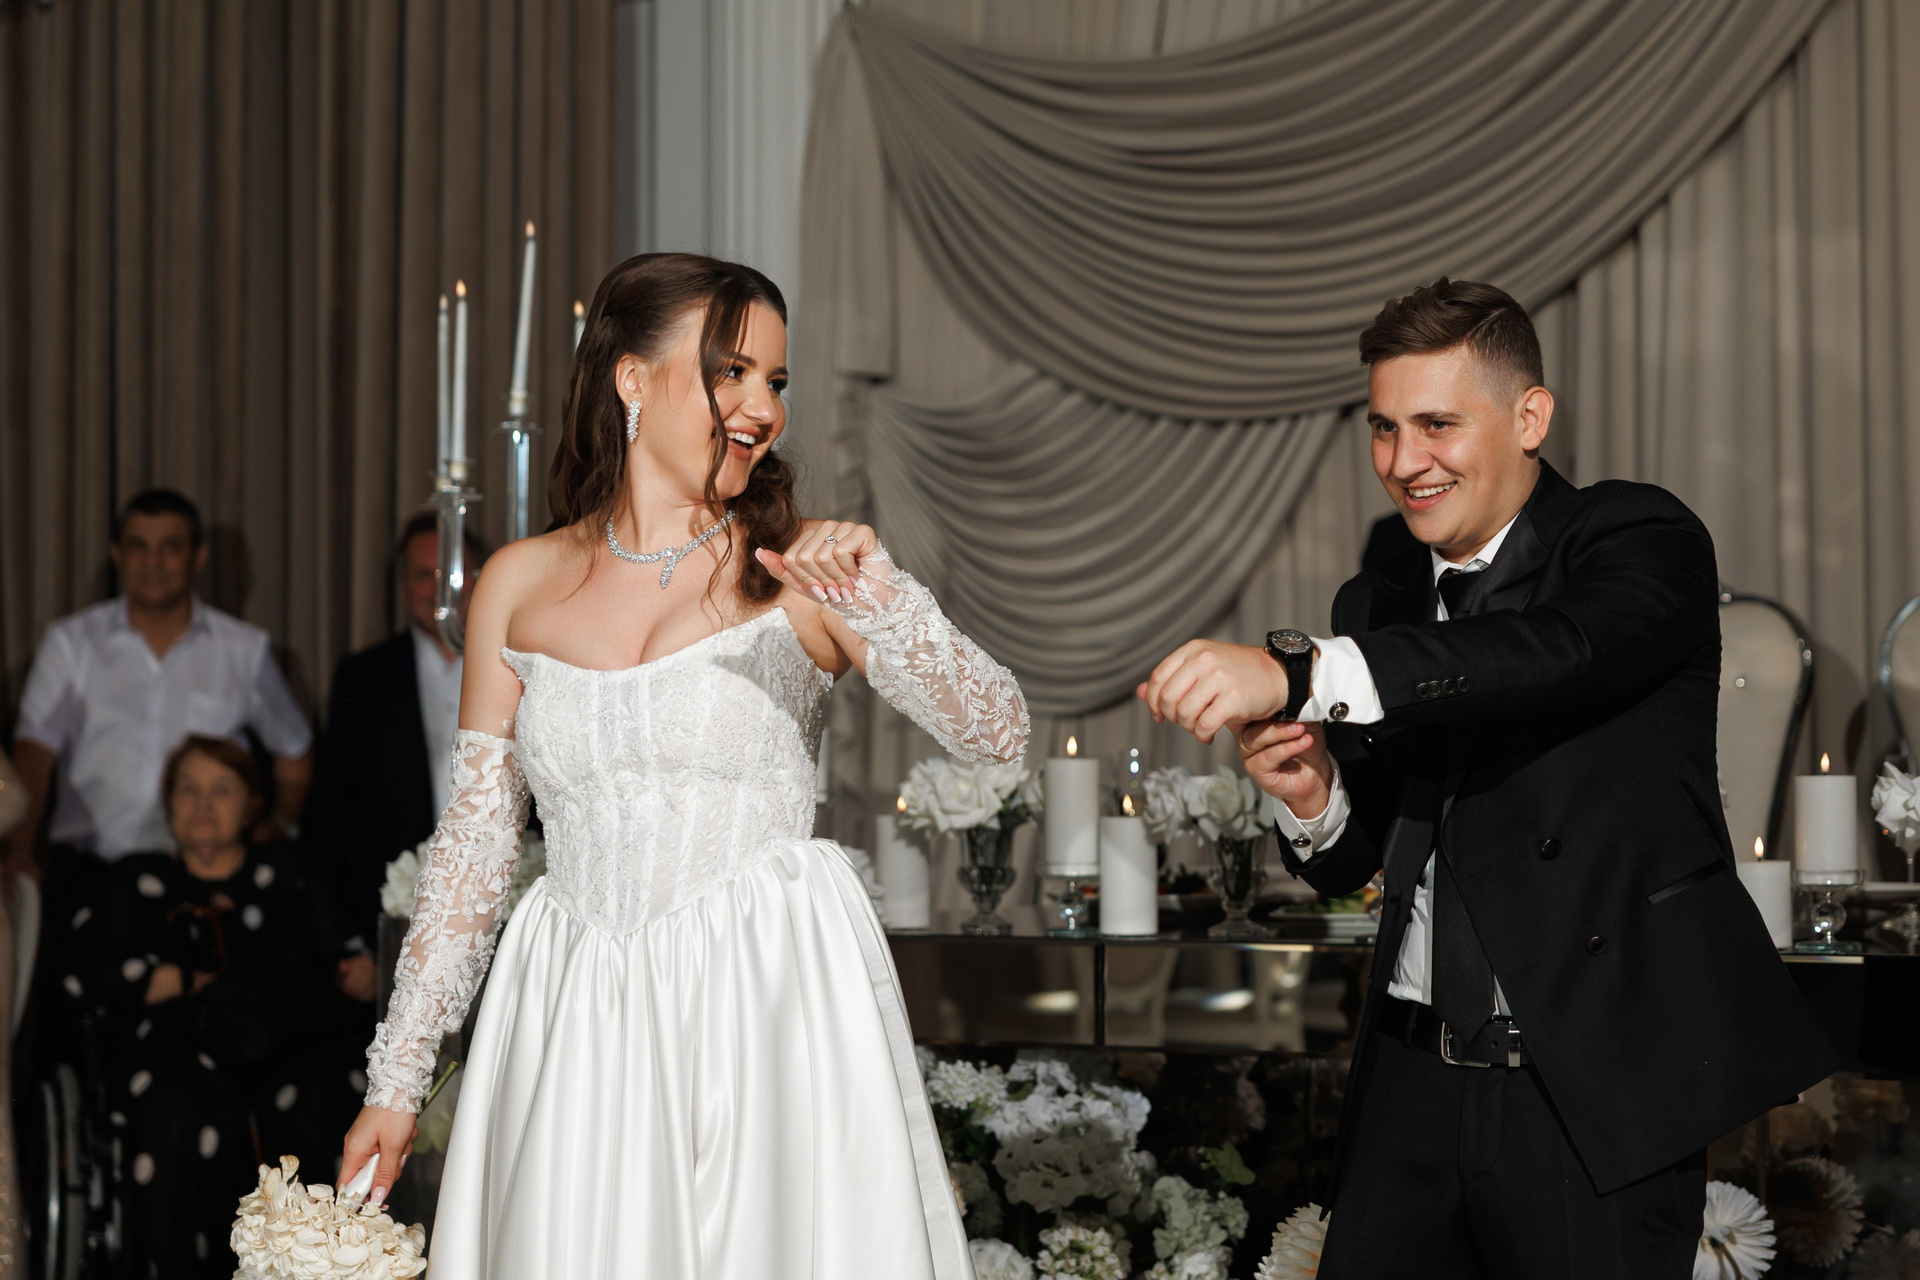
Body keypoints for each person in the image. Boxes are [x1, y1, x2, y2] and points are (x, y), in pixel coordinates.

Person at [340, 253, 1027, 1277]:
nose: (763, 408)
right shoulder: (516, 585)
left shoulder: (798, 572)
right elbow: (476, 850)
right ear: (632, 379)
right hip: (576, 1001)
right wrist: (396, 1085)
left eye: (776, 381)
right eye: (731, 372)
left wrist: (883, 598)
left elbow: (998, 731)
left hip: (763, 997)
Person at [1139, 279, 1831, 1279]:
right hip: (1409, 1076)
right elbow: (1360, 856)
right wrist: (1312, 793)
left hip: (1588, 1082)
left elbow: (1550, 651)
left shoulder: (1638, 539)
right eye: (1384, 429)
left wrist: (1299, 671)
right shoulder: (1377, 597)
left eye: (1437, 425)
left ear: (1529, 418)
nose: (1403, 461)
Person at [71, 736, 363, 1279]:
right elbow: (85, 976)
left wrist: (358, 972)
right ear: (168, 803)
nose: (203, 804)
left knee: (317, 1097)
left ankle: (316, 1268)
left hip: (288, 1044)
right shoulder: (134, 880)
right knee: (177, 1102)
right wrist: (180, 980)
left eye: (221, 790)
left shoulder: (287, 871)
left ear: (252, 805)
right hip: (177, 1047)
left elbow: (349, 964)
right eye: (188, 789)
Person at [8, 489, 313, 924]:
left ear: (198, 556)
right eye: (138, 546)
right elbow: (34, 756)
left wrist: (279, 826)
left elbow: (295, 750)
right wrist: (18, 848)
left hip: (204, 881)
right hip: (89, 874)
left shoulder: (243, 650)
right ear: (117, 554)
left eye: (170, 547)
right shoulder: (70, 644)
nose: (153, 562)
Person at [310, 513, 488, 999]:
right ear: (402, 585)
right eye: (424, 575)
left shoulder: (519, 666)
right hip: (391, 932)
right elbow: (333, 816)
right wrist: (351, 943)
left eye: (455, 573)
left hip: (505, 921)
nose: (442, 590)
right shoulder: (364, 676)